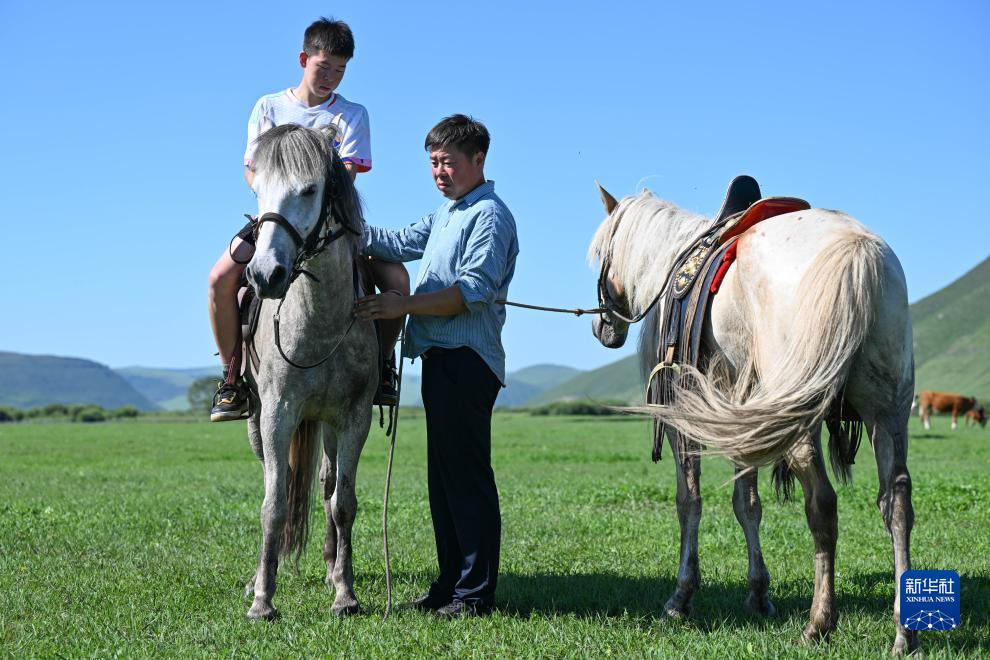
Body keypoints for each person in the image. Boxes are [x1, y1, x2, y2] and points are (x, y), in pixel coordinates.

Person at [354, 114, 519, 617]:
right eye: (433, 163)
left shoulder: (489, 215)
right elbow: (396, 241)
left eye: (448, 162)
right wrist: (341, 223)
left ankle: (474, 595)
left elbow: (472, 291)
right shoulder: (449, 212)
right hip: (441, 360)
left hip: (468, 361)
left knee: (466, 478)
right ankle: (450, 586)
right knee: (443, 481)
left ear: (478, 160)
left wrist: (402, 307)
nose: (440, 172)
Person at [207, 17, 408, 421]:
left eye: (340, 69)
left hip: (334, 222)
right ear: (303, 59)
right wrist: (273, 195)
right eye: (323, 66)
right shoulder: (269, 107)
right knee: (219, 279)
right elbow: (251, 169)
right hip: (276, 218)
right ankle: (232, 377)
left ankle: (381, 369)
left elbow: (348, 173)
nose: (331, 76)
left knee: (398, 281)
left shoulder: (352, 114)